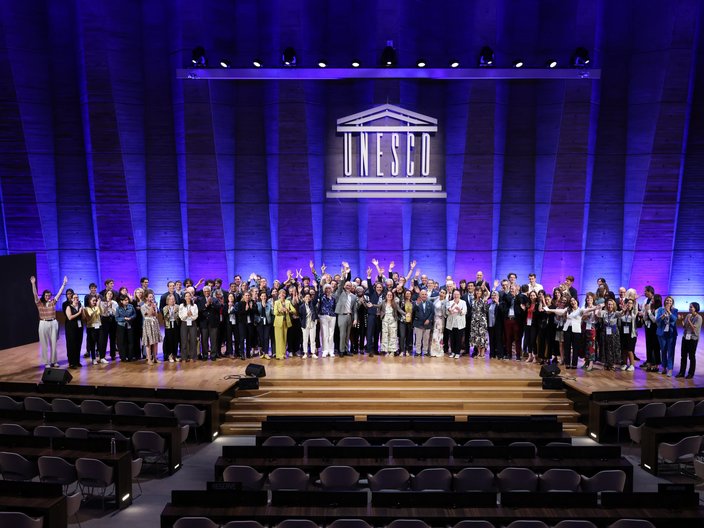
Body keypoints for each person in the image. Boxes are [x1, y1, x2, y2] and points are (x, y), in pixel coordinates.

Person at [30, 275, 67, 368]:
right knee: (44, 343)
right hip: (43, 323)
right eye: (46, 295)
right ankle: (46, 362)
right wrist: (33, 284)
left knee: (54, 343)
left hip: (53, 322)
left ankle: (54, 361)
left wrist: (64, 284)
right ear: (43, 295)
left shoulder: (52, 302)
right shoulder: (39, 303)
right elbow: (35, 294)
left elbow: (59, 293)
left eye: (49, 295)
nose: (48, 296)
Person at [655, 296, 678, 377]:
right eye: (667, 300)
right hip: (662, 333)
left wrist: (669, 312)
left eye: (670, 301)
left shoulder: (675, 310)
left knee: (671, 351)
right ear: (664, 301)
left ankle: (670, 369)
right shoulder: (660, 310)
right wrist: (662, 316)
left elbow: (674, 319)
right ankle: (664, 368)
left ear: (672, 303)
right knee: (663, 351)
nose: (668, 302)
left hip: (671, 334)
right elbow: (656, 320)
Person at [677, 302, 701, 378]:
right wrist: (682, 320)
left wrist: (689, 320)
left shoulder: (699, 317)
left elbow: (694, 329)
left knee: (691, 356)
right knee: (683, 356)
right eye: (689, 307)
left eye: (691, 307)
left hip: (693, 339)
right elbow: (685, 327)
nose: (690, 308)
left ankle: (691, 373)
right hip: (685, 337)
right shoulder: (688, 315)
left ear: (696, 308)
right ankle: (682, 372)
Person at [273, 289, 296, 360]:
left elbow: (294, 311)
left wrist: (288, 310)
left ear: (285, 295)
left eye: (283, 293)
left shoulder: (288, 302)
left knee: (284, 338)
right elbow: (275, 313)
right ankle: (278, 354)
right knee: (278, 338)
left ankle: (283, 354)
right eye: (281, 293)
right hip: (278, 322)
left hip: (286, 322)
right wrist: (280, 310)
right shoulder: (276, 302)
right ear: (279, 295)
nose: (282, 295)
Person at [379, 290, 404, 356]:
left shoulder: (395, 303)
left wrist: (406, 313)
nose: (389, 296)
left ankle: (392, 351)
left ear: (392, 296)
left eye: (391, 295)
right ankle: (386, 350)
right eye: (388, 295)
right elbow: (378, 307)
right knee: (385, 335)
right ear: (386, 296)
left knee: (393, 335)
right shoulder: (383, 302)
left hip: (393, 321)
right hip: (385, 321)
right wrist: (372, 306)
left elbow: (399, 310)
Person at [446, 289, 468, 359]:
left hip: (460, 324)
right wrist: (450, 309)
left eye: (457, 294)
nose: (456, 296)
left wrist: (459, 309)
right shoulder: (449, 302)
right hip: (451, 323)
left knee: (459, 339)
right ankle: (453, 352)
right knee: (452, 339)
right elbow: (447, 313)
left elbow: (464, 312)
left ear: (460, 295)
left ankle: (457, 352)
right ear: (453, 295)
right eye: (454, 294)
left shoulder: (463, 302)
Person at [141, 292, 162, 365]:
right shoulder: (143, 306)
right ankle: (149, 359)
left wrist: (155, 308)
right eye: (150, 297)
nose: (151, 298)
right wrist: (151, 307)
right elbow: (148, 314)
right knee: (149, 342)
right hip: (148, 324)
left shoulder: (154, 305)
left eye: (152, 297)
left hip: (154, 323)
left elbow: (156, 315)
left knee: (155, 342)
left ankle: (155, 358)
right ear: (146, 298)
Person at [469, 285, 489, 359]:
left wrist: (485, 300)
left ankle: (482, 354)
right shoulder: (473, 300)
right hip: (474, 321)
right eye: (477, 291)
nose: (478, 292)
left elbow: (485, 310)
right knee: (476, 338)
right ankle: (478, 353)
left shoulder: (483, 300)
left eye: (480, 291)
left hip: (482, 321)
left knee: (482, 337)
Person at [64, 293, 84, 368]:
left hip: (79, 327)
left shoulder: (80, 306)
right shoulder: (68, 307)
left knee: (78, 344)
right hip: (71, 328)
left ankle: (77, 361)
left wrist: (83, 311)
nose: (76, 299)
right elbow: (70, 317)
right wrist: (79, 312)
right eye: (75, 298)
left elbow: (83, 317)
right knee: (71, 344)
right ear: (71, 299)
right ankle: (71, 362)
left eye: (77, 297)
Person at [412, 289, 434, 357]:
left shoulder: (430, 303)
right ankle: (418, 352)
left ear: (427, 295)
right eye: (422, 294)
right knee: (418, 339)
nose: (424, 296)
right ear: (420, 295)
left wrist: (429, 320)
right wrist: (417, 304)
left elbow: (432, 313)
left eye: (425, 294)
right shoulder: (416, 303)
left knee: (426, 339)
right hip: (418, 324)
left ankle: (425, 351)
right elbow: (413, 311)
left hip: (427, 324)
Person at [178, 291, 199, 362]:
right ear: (184, 297)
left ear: (191, 297)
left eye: (189, 296)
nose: (188, 297)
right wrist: (187, 314)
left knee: (193, 340)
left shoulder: (194, 305)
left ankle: (193, 357)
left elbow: (196, 316)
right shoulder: (181, 306)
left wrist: (191, 315)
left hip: (192, 323)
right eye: (186, 296)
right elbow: (181, 317)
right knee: (184, 341)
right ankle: (184, 357)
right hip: (184, 323)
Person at [116, 294, 137, 362]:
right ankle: (123, 357)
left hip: (129, 325)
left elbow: (134, 314)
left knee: (130, 341)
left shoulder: (131, 306)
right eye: (125, 300)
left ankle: (130, 356)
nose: (127, 301)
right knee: (122, 342)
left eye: (127, 300)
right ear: (121, 301)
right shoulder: (118, 308)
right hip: (121, 326)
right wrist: (124, 318)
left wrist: (130, 318)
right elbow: (116, 318)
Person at [83, 295, 103, 364]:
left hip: (99, 326)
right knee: (92, 344)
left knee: (100, 343)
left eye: (95, 301)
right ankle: (94, 358)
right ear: (89, 301)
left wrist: (98, 306)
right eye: (93, 301)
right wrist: (97, 306)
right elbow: (90, 315)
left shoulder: (97, 307)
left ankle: (101, 358)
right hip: (91, 327)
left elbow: (100, 313)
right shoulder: (86, 308)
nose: (95, 302)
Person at [318, 284, 337, 358]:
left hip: (332, 316)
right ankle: (325, 350)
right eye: (326, 288)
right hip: (323, 316)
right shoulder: (322, 297)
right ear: (324, 290)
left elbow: (334, 307)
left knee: (331, 334)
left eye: (329, 288)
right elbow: (320, 286)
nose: (328, 290)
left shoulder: (333, 298)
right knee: (325, 334)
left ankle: (331, 351)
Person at [299, 291, 319, 359]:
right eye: (306, 297)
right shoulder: (301, 306)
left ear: (310, 298)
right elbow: (300, 316)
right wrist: (302, 324)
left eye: (308, 297)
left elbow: (316, 298)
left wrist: (316, 289)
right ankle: (305, 353)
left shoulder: (312, 304)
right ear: (303, 298)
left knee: (313, 339)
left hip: (312, 323)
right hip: (305, 324)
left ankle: (313, 353)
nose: (307, 298)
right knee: (305, 340)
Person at [255, 291, 274, 358]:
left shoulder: (269, 304)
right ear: (260, 297)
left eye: (264, 296)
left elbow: (272, 313)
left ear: (266, 297)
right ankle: (263, 352)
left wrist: (270, 320)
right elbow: (255, 314)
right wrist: (258, 319)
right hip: (260, 323)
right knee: (261, 338)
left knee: (266, 338)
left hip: (267, 323)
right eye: (262, 296)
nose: (263, 297)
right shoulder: (257, 304)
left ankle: (266, 353)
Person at [162, 294, 181, 362]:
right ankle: (169, 355)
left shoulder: (177, 307)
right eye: (170, 299)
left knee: (175, 340)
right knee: (169, 341)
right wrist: (169, 314)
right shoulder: (165, 308)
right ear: (167, 300)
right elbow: (165, 317)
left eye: (173, 299)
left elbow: (179, 316)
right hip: (168, 326)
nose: (172, 300)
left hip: (176, 325)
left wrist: (175, 313)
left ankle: (175, 355)